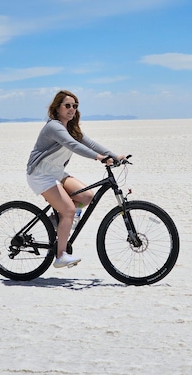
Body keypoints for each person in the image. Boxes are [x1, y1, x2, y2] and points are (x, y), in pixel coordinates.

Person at [26, 90, 128, 269]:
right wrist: (99, 158)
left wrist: (115, 156)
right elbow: (73, 145)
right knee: (69, 210)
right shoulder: (54, 127)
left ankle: (55, 220)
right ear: (57, 108)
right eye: (67, 105)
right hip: (40, 175)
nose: (71, 109)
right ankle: (60, 256)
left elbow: (91, 144)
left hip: (56, 172)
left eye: (75, 106)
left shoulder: (72, 129)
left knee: (87, 196)